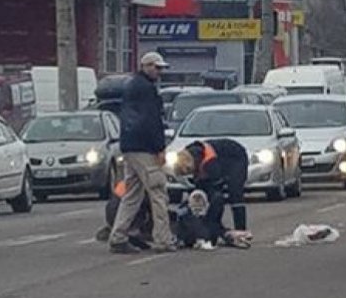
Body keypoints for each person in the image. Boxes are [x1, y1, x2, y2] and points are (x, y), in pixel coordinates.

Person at [108, 51, 176, 254]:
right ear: (146, 66)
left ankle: (118, 236)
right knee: (158, 192)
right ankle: (163, 239)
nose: (159, 72)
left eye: (161, 68)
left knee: (132, 194)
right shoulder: (147, 89)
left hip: (129, 146)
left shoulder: (131, 86)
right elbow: (151, 121)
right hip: (144, 149)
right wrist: (159, 147)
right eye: (157, 68)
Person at [173, 139, 252, 248]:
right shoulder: (189, 154)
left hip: (236, 157)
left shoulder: (209, 163)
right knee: (207, 195)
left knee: (234, 192)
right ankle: (212, 230)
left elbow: (216, 184)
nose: (190, 176)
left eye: (189, 173)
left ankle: (241, 231)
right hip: (219, 158)